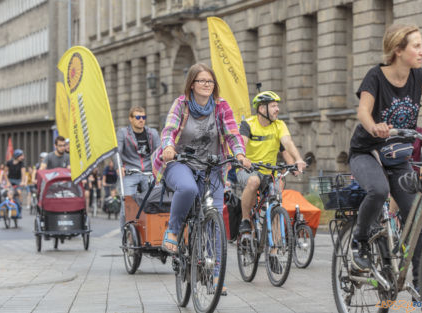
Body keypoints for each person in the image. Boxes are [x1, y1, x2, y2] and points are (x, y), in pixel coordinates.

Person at [348, 24, 422, 289]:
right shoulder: (375, 77)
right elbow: (363, 112)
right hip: (367, 152)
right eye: (416, 46)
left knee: (420, 225)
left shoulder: (418, 76)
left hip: (398, 157)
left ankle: (420, 290)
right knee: (378, 190)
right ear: (398, 50)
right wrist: (374, 127)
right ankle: (360, 242)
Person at [152, 63, 251, 293]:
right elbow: (169, 130)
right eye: (202, 81)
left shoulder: (221, 106)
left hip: (211, 167)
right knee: (188, 189)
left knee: (215, 219)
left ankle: (216, 277)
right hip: (180, 162)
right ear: (192, 84)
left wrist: (239, 154)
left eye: (210, 81)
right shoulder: (181, 104)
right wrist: (168, 147)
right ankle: (174, 231)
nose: (207, 85)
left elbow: (232, 133)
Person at [238, 91, 306, 233]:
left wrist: (297, 160)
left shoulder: (279, 125)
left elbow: (286, 143)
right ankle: (245, 220)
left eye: (277, 106)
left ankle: (274, 248)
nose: (277, 109)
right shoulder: (248, 124)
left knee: (276, 199)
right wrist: (243, 158)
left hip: (270, 172)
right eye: (273, 106)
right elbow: (241, 143)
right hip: (249, 170)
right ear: (262, 109)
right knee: (254, 181)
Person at [117, 105, 160, 229]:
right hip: (131, 172)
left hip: (149, 172)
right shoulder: (123, 133)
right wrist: (119, 167)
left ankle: (153, 232)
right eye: (137, 117)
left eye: (143, 117)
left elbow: (158, 151)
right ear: (130, 119)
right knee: (127, 204)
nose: (141, 120)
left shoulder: (153, 133)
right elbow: (118, 152)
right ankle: (126, 234)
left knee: (157, 201)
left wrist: (160, 168)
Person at [4, 149, 26, 215]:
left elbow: (23, 174)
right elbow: (5, 173)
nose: (23, 157)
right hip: (10, 180)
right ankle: (8, 207)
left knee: (18, 192)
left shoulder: (22, 164)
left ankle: (20, 206)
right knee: (9, 193)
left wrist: (22, 182)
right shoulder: (9, 163)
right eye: (21, 156)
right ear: (17, 156)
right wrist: (7, 182)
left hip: (18, 181)